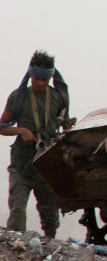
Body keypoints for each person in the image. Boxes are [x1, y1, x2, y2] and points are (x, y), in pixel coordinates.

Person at [1, 51, 69, 238]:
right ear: (30, 74)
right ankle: (15, 247)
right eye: (37, 78)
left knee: (51, 218)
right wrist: (21, 131)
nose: (40, 83)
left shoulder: (59, 98)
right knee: (17, 213)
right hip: (21, 165)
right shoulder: (18, 97)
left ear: (50, 77)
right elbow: (2, 127)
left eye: (44, 79)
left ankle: (49, 246)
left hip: (46, 166)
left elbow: (66, 126)